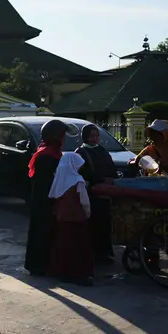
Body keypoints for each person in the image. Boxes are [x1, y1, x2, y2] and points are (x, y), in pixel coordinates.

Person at [25, 120, 70, 277]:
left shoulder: (52, 153)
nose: (64, 139)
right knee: (42, 232)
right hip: (44, 200)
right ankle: (38, 265)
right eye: (62, 136)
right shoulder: (46, 156)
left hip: (47, 199)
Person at [49, 152, 94, 286]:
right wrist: (87, 214)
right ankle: (79, 274)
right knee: (78, 248)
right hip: (77, 218)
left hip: (62, 217)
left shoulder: (58, 178)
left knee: (63, 245)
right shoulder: (78, 181)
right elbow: (84, 202)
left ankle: (63, 272)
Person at [76, 125, 116, 263]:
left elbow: (111, 167)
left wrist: (111, 178)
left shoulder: (101, 150)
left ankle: (104, 254)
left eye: (96, 135)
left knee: (105, 223)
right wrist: (99, 179)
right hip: (91, 193)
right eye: (92, 135)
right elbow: (83, 172)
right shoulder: (81, 152)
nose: (95, 138)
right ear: (85, 136)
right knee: (92, 224)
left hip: (105, 192)